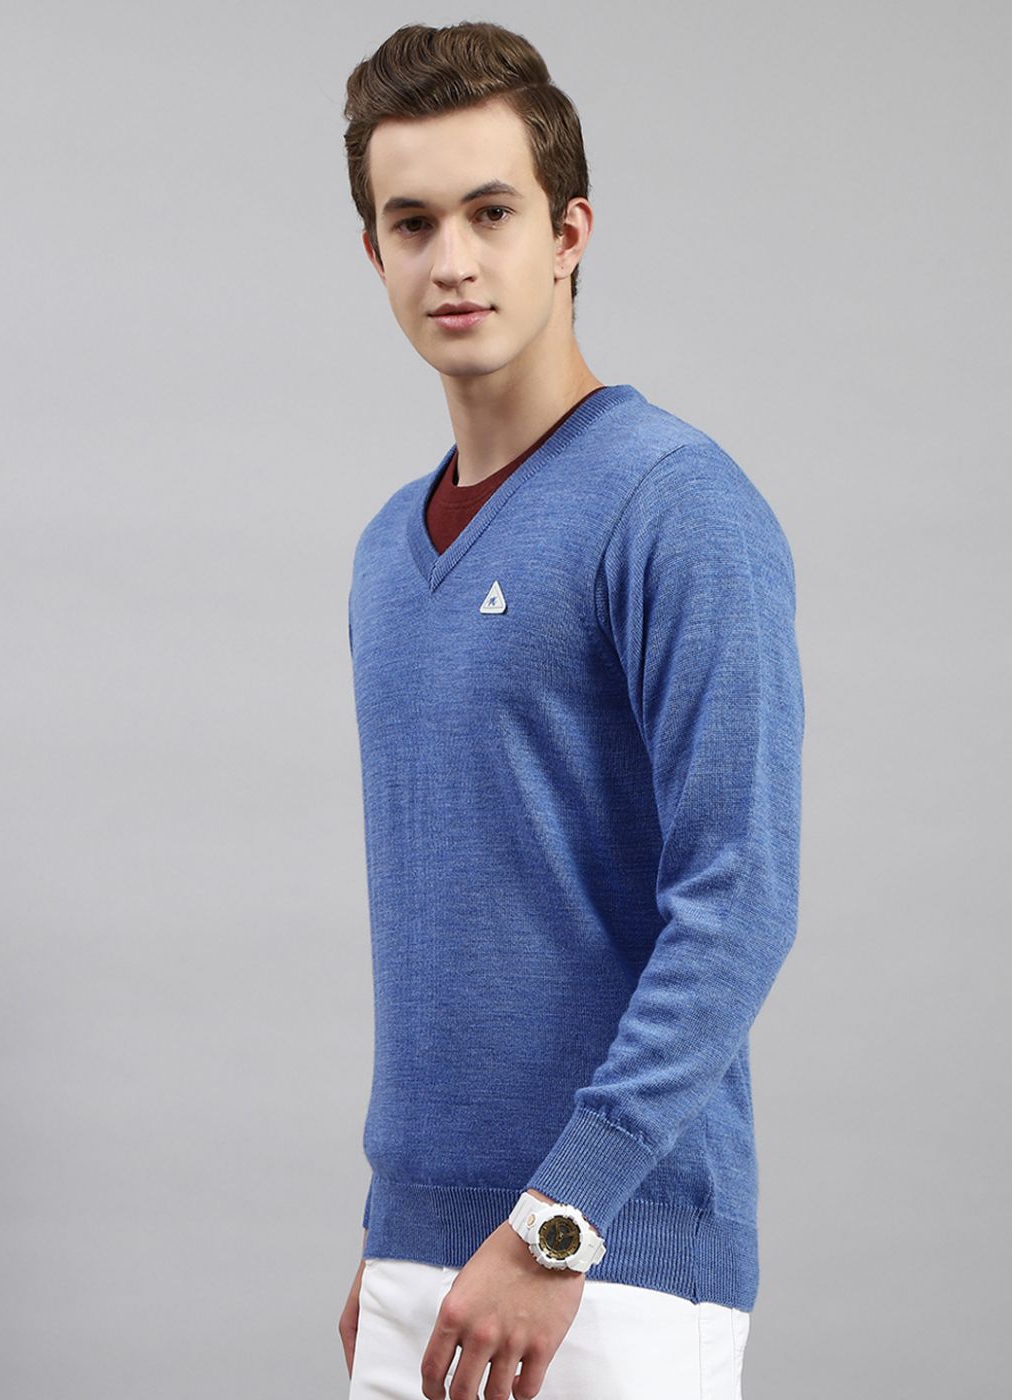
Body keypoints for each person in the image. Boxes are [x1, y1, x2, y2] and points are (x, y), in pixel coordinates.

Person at [337, 19, 804, 1400]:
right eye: (412, 223)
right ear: (374, 253)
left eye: (492, 213)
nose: (453, 260)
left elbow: (738, 900)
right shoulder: (385, 551)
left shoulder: (675, 506)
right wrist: (395, 1237)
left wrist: (559, 1221)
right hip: (421, 1265)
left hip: (607, 1264)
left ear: (568, 233)